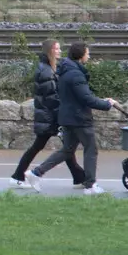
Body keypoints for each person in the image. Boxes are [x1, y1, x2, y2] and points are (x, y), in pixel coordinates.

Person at [33, 42, 117, 195]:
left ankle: (35, 173)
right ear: (81, 55)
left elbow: (80, 95)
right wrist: (106, 105)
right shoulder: (76, 74)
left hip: (67, 117)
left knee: (67, 150)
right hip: (79, 118)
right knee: (91, 149)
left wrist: (102, 100)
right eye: (87, 53)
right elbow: (86, 99)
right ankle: (90, 185)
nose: (89, 56)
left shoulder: (66, 70)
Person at [11, 40, 86, 190]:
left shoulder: (50, 68)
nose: (59, 51)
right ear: (49, 51)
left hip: (50, 116)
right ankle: (17, 177)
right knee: (59, 147)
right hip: (50, 117)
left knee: (65, 147)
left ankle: (79, 178)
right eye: (56, 49)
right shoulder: (46, 70)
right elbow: (51, 97)